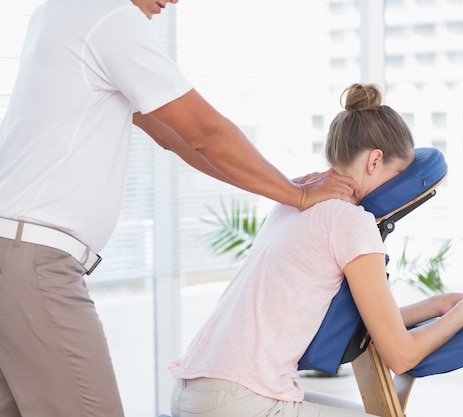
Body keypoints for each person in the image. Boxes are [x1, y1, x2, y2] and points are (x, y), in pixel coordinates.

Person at [0, 1, 359, 417]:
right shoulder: (113, 18)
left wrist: (287, 187)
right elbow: (204, 130)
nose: (173, 2)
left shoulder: (63, 12)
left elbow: (176, 137)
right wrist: (296, 197)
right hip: (34, 263)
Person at [167, 83, 463, 417]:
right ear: (374, 161)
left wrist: (439, 305)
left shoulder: (293, 203)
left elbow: (352, 325)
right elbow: (400, 355)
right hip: (237, 400)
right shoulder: (351, 222)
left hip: (196, 390)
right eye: (398, 174)